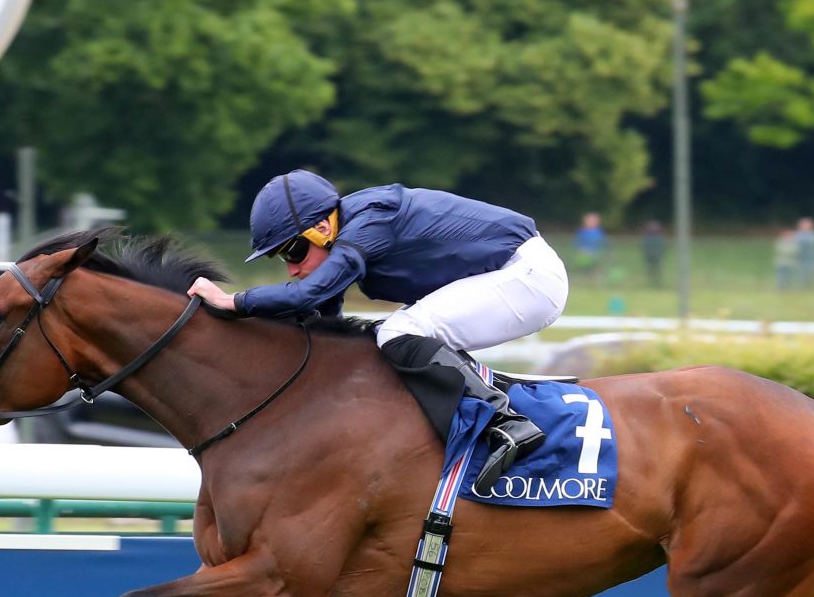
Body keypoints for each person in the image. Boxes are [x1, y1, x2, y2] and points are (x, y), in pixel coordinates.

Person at [187, 170, 566, 495]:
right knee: (393, 336)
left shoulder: (371, 219)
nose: (292, 268)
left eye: (294, 252)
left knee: (399, 330)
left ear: (323, 228)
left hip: (528, 277)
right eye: (283, 258)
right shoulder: (350, 229)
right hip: (514, 276)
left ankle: (506, 423)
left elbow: (309, 293)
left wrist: (232, 301)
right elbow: (322, 323)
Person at [573, 212, 608, 284]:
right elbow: (577, 243)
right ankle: (584, 278)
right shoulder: (582, 232)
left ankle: (596, 279)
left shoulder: (599, 232)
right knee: (586, 266)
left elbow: (604, 243)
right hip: (585, 253)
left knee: (597, 266)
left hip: (596, 254)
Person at [793, 217, 814, 287]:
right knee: (801, 271)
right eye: (804, 225)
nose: (806, 227)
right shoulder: (797, 235)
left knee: (811, 271)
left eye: (807, 225)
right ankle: (801, 285)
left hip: (811, 257)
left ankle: (810, 285)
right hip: (800, 257)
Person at [640, 220, 666, 289]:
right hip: (649, 256)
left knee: (657, 269)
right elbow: (644, 247)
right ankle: (651, 280)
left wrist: (660, 253)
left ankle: (657, 280)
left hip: (656, 256)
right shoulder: (647, 238)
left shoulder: (658, 238)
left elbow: (662, 247)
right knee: (650, 268)